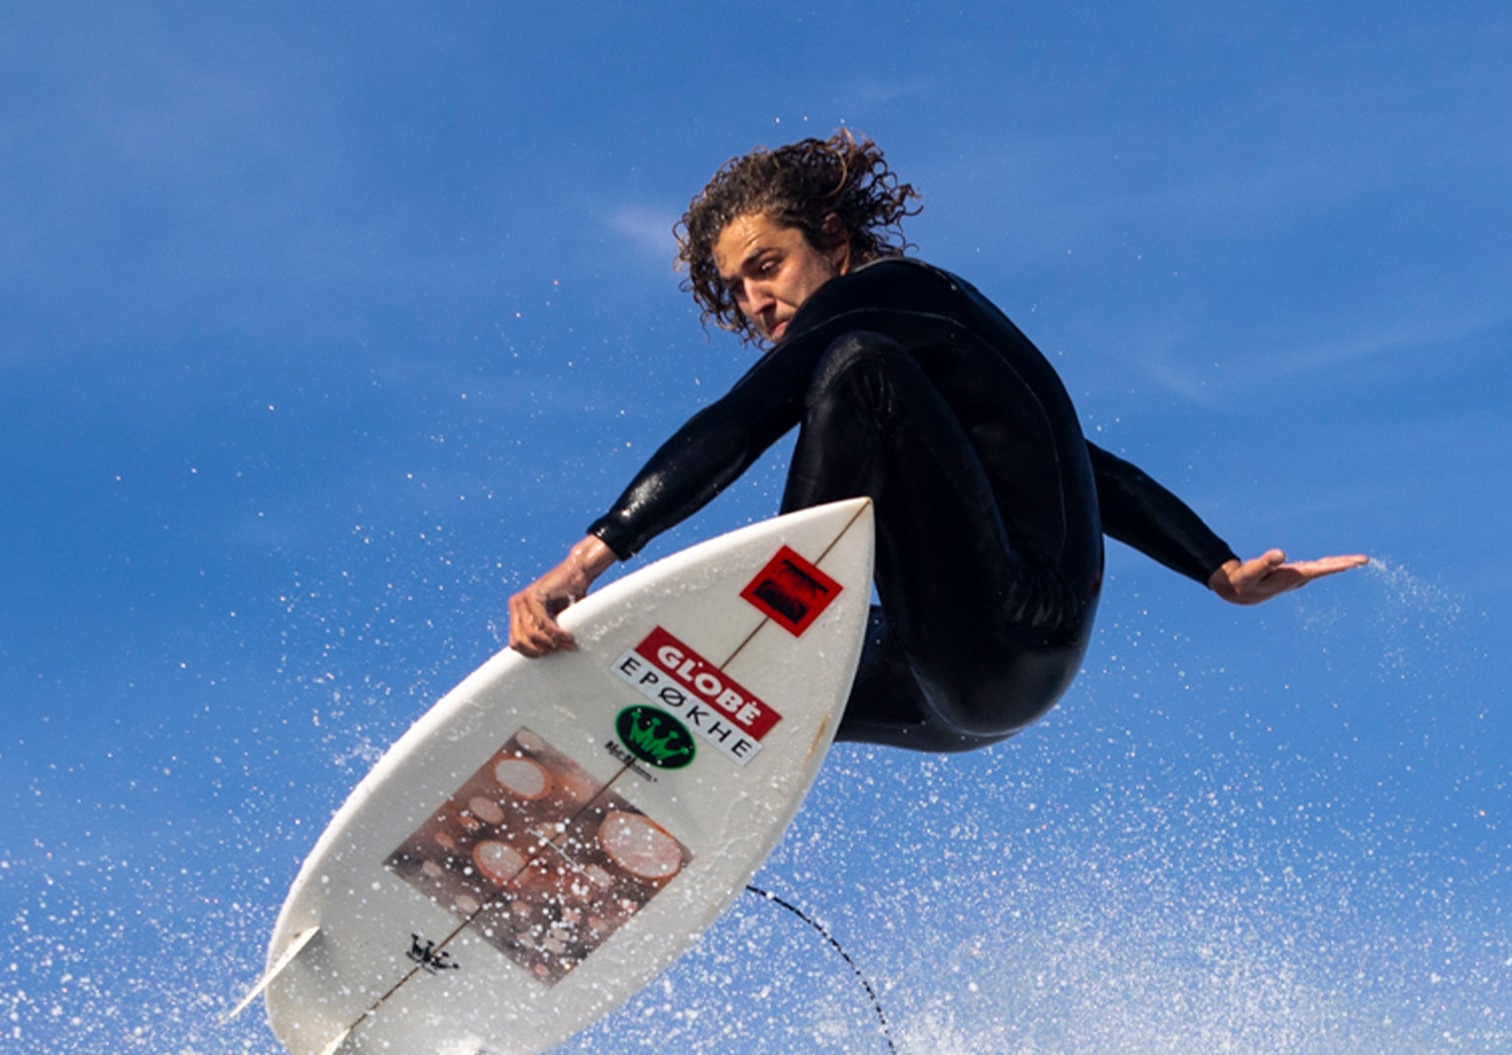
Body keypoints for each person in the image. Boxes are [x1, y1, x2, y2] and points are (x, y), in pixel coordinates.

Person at [508, 132, 1365, 754]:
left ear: (834, 244)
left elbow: (747, 415)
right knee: (691, 689)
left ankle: (768, 645)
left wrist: (587, 561)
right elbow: (1094, 473)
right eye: (735, 290)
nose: (753, 302)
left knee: (856, 368)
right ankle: (656, 754)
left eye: (766, 266)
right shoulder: (953, 347)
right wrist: (1218, 571)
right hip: (953, 692)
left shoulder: (881, 296)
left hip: (1002, 628)